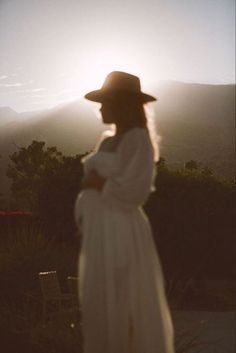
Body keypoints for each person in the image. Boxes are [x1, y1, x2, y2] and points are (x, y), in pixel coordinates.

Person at [74, 71, 175, 353]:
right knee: (100, 300)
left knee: (123, 297)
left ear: (122, 104)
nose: (101, 108)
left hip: (121, 230)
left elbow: (136, 190)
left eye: (106, 102)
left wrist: (98, 183)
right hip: (98, 232)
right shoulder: (106, 142)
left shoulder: (138, 140)